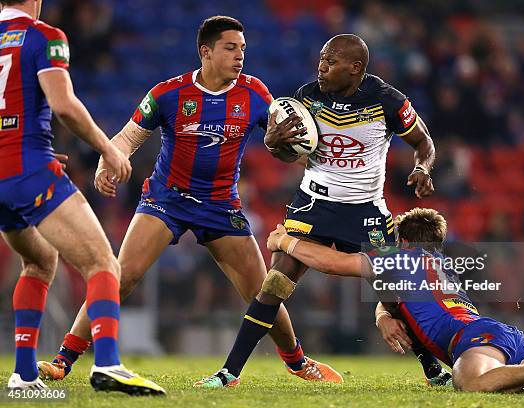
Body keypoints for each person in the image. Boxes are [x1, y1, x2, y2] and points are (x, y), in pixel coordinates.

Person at [37, 15, 340, 387]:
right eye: (230, 48)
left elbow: (288, 145)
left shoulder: (255, 93)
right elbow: (128, 138)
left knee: (262, 291)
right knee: (120, 276)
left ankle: (298, 362)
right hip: (167, 200)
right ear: (206, 52)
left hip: (220, 205)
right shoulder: (168, 93)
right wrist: (108, 161)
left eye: (243, 49)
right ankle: (63, 361)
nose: (239, 55)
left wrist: (283, 145)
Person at [199, 33, 445, 388]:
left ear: (355, 68)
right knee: (275, 284)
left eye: (330, 62)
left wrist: (423, 168)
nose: (321, 67)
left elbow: (424, 142)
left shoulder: (388, 100)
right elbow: (292, 153)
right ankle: (229, 373)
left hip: (366, 210)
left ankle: (433, 370)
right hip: (313, 203)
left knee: (394, 294)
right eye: (321, 59)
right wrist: (273, 143)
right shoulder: (306, 96)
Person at [0, 0, 164, 395]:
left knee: (39, 262)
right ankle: (108, 363)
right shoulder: (44, 35)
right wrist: (108, 149)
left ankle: (24, 374)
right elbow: (64, 106)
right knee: (103, 262)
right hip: (30, 169)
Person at [264, 207, 524, 393]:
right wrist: (383, 316)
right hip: (496, 335)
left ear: (403, 240)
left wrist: (285, 242)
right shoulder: (440, 266)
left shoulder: (398, 257)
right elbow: (400, 299)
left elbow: (334, 263)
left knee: (469, 382)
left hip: (472, 339)